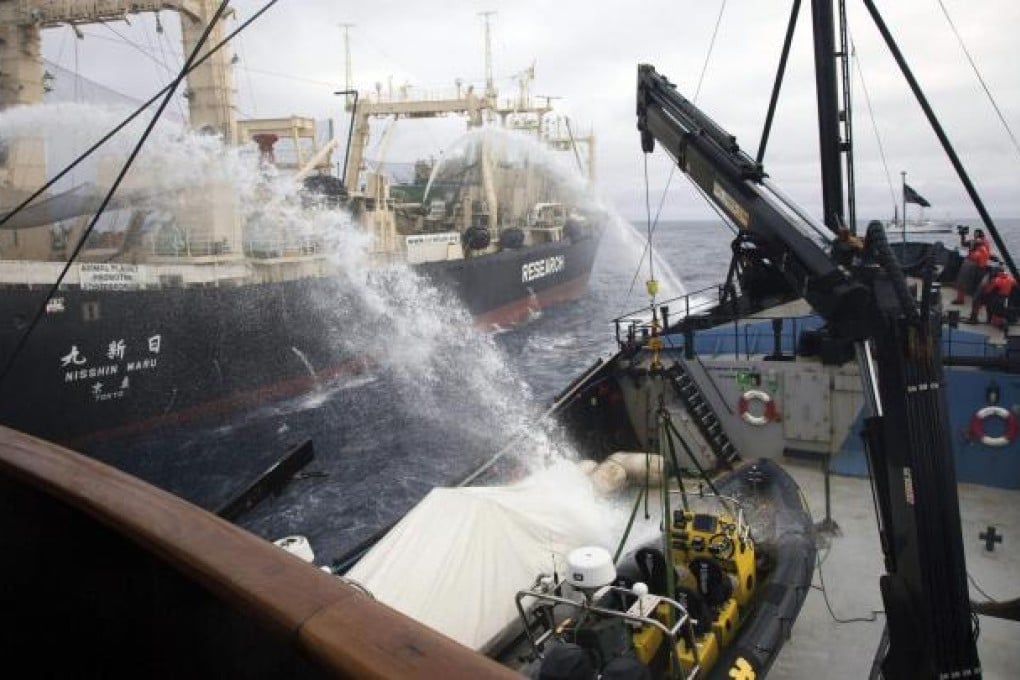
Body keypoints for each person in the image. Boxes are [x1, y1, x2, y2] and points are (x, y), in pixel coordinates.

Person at [953, 228, 990, 304]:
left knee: (965, 282)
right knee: (964, 282)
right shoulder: (977, 242)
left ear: (980, 234)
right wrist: (962, 235)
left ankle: (963, 300)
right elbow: (964, 244)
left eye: (976, 233)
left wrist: (973, 242)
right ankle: (961, 299)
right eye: (974, 233)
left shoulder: (983, 242)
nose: (975, 234)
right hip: (974, 263)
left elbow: (977, 243)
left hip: (976, 264)